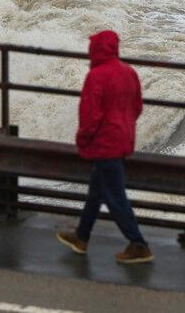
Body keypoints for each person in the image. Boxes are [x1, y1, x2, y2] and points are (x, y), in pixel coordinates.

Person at [56, 30, 154, 264]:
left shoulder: (97, 76)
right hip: (122, 139)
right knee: (97, 191)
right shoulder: (129, 72)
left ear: (96, 49)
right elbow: (137, 107)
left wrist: (82, 138)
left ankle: (139, 244)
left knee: (114, 197)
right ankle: (81, 237)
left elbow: (90, 115)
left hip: (105, 143)